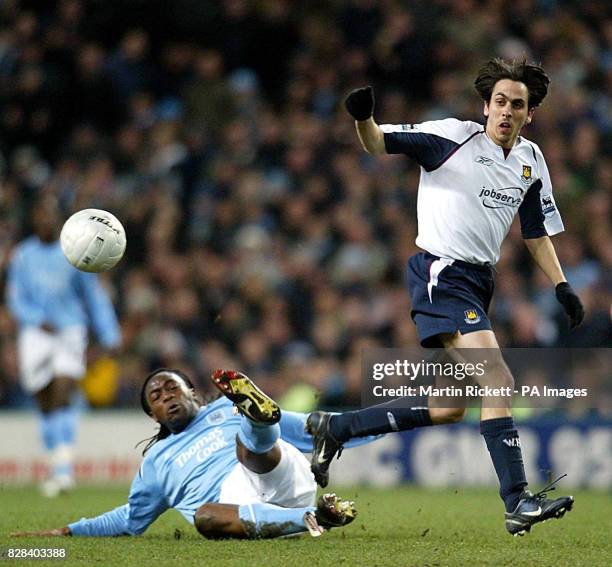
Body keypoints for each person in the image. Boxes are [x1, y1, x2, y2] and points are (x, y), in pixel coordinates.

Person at [306, 58, 583, 536]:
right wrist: (362, 118)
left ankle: (339, 428)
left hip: (479, 282)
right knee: (498, 378)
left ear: (528, 113)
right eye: (499, 102)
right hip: (442, 274)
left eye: (517, 105)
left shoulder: (531, 161)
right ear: (485, 105)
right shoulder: (451, 137)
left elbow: (536, 234)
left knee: (449, 408)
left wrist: (562, 285)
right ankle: (517, 500)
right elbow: (376, 143)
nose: (506, 111)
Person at [12, 369, 357, 539]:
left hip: (277, 472)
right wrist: (70, 531)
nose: (166, 397)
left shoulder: (222, 408)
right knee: (204, 518)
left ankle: (256, 417)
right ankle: (316, 519)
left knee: (247, 445)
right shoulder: (157, 463)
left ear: (191, 391)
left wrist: (386, 420)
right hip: (255, 514)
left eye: (171, 387)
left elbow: (320, 429)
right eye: (156, 397)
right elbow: (130, 518)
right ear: (153, 416)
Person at [6, 196, 122, 497]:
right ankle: (55, 463)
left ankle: (63, 470)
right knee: (44, 401)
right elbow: (16, 298)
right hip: (36, 334)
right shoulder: (22, 256)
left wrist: (109, 335)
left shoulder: (74, 253)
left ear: (60, 221)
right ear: (34, 220)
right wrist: (35, 318)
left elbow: (93, 297)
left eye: (51, 216)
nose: (46, 221)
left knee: (62, 390)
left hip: (70, 330)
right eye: (40, 216)